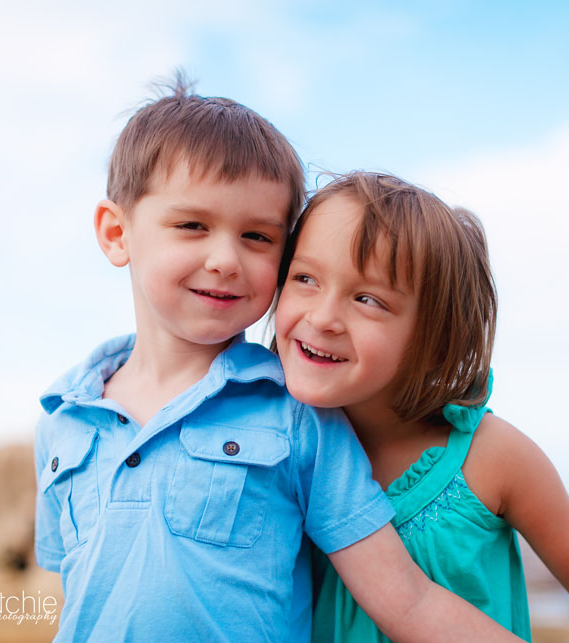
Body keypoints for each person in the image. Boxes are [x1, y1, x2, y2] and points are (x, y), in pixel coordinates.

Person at [33, 78, 520, 642]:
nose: (224, 259)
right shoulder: (62, 421)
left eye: (257, 237)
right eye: (192, 225)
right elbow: (80, 595)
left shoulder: (297, 416)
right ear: (117, 233)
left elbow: (406, 603)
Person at [274, 171, 569, 642]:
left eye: (367, 299)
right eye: (305, 278)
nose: (322, 318)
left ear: (434, 338)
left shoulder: (492, 457)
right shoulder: (266, 441)